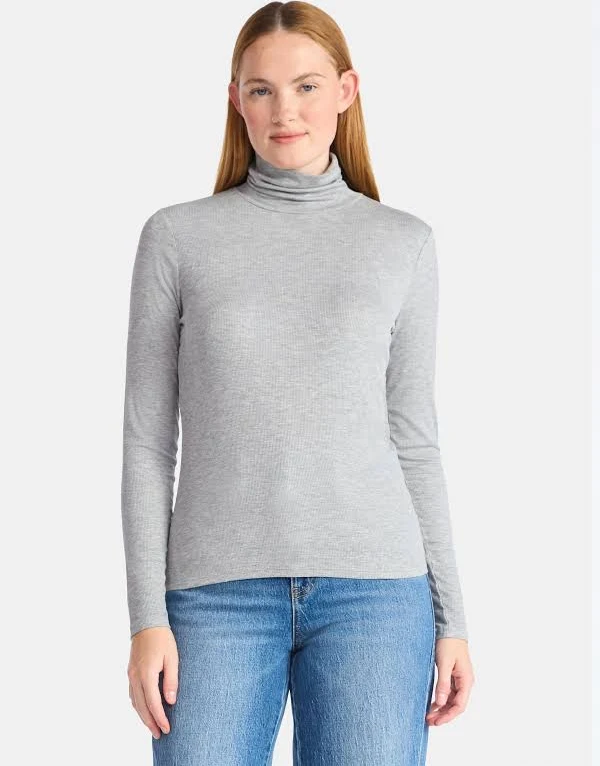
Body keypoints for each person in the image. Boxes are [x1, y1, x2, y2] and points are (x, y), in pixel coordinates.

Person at [121, 2, 475, 763]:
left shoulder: (402, 243)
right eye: (262, 90)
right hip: (213, 600)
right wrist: (147, 616)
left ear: (346, 91)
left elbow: (414, 439)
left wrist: (453, 621)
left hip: (377, 597)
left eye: (307, 86)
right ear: (236, 99)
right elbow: (148, 443)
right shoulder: (177, 238)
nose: (285, 110)